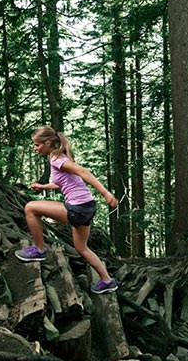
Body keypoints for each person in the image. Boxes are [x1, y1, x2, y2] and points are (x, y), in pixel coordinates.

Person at [16, 125, 119, 294]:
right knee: (82, 248)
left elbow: (83, 172)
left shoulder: (58, 159)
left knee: (31, 208)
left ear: (48, 142)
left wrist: (106, 193)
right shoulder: (59, 157)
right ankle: (107, 281)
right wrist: (43, 187)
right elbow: (61, 183)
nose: (35, 148)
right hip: (87, 207)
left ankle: (39, 249)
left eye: (37, 145)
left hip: (77, 209)